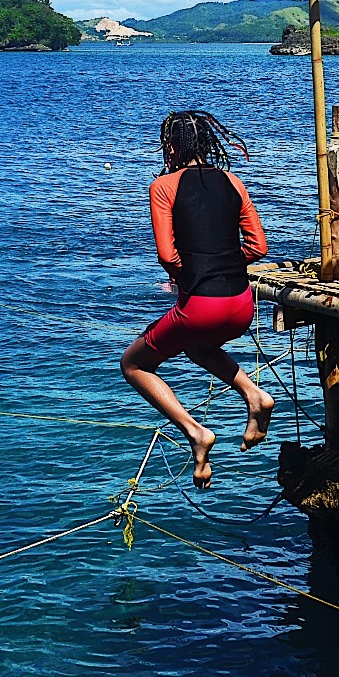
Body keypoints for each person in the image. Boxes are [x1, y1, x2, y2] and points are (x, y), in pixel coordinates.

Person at [120, 110, 276, 488]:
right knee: (198, 348)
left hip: (201, 306)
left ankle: (196, 432)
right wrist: (220, 263)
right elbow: (258, 246)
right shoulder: (233, 182)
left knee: (133, 365)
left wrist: (187, 275)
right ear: (207, 144)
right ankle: (253, 396)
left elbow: (167, 256)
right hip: (241, 305)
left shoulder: (164, 186)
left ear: (170, 147)